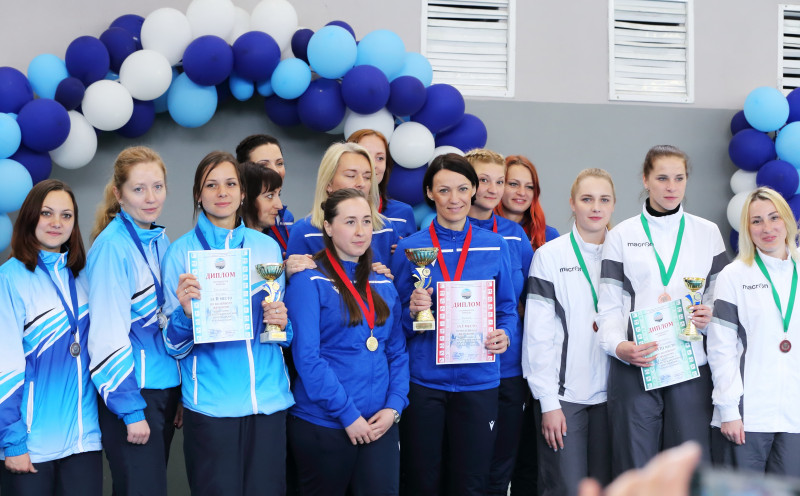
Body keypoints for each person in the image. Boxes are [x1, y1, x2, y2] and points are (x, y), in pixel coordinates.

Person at [161, 151, 294, 495]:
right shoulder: (179, 254)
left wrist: (282, 323)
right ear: (198, 194)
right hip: (211, 406)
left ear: (243, 193)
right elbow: (172, 346)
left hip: (269, 402)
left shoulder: (267, 248)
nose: (222, 192)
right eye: (211, 185)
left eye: (231, 184)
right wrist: (185, 315)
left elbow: (282, 333)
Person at [596, 145, 728, 475]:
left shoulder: (707, 232)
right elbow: (609, 305)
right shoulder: (621, 235)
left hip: (691, 365)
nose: (671, 187)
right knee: (635, 466)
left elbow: (721, 298)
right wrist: (618, 346)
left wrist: (709, 316)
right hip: (637, 364)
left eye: (679, 178)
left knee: (687, 470)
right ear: (646, 180)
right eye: (662, 178)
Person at [391, 153, 517, 496]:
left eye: (462, 188)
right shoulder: (410, 249)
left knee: (471, 483)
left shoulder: (495, 245)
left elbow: (507, 308)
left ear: (474, 190)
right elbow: (394, 322)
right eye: (444, 190)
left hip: (479, 381)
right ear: (429, 193)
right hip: (425, 382)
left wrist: (505, 335)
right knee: (422, 481)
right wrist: (412, 313)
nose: (454, 198)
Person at [286, 188, 409, 495]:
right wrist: (348, 415)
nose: (360, 231)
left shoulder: (383, 282)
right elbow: (308, 358)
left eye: (366, 221)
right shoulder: (308, 280)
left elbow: (396, 352)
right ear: (328, 227)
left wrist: (394, 407)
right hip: (325, 423)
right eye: (350, 221)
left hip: (379, 424)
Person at [86, 146, 180, 496]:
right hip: (133, 394)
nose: (151, 198)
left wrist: (179, 389)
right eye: (138, 189)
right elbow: (106, 335)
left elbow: (166, 319)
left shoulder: (159, 239)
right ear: (119, 194)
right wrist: (129, 409)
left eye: (157, 187)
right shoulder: (113, 247)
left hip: (162, 389)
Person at [0, 180, 102, 495]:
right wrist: (13, 440)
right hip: (31, 443)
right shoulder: (9, 279)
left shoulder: (84, 277)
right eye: (47, 213)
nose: (57, 223)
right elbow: (4, 366)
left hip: (84, 440)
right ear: (30, 216)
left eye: (66, 215)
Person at [524, 168, 616, 496]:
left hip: (616, 397)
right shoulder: (549, 256)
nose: (596, 207)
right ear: (572, 203)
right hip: (566, 398)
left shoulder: (627, 255)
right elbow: (538, 336)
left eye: (604, 200)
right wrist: (548, 402)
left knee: (608, 488)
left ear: (613, 205)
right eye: (587, 199)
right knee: (565, 488)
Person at [707, 187, 800, 476]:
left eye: (774, 217)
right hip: (747, 416)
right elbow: (721, 348)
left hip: (795, 418)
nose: (767, 228)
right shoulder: (733, 276)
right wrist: (728, 410)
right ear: (747, 229)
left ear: (787, 220)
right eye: (756, 221)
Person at [464, 148, 533, 496]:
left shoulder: (514, 235)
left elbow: (531, 299)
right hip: (462, 367)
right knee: (465, 466)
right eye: (483, 180)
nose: (493, 189)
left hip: (507, 366)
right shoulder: (439, 235)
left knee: (500, 465)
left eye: (499, 181)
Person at [286, 142, 400, 266]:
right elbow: (297, 277)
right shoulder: (303, 231)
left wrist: (384, 276)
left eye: (367, 177)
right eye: (351, 176)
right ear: (328, 183)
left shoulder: (386, 228)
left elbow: (399, 277)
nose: (361, 183)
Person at [347, 129, 416, 237]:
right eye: (365, 156)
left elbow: (413, 247)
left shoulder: (403, 213)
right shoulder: (327, 215)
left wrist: (403, 248)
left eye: (380, 158)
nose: (373, 165)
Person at [236, 134, 293, 253]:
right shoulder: (226, 224)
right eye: (263, 165)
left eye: (279, 163)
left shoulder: (285, 217)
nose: (275, 171)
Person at [495, 154, 559, 250]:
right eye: (513, 184)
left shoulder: (550, 236)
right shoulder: (481, 231)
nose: (522, 193)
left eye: (529, 187)